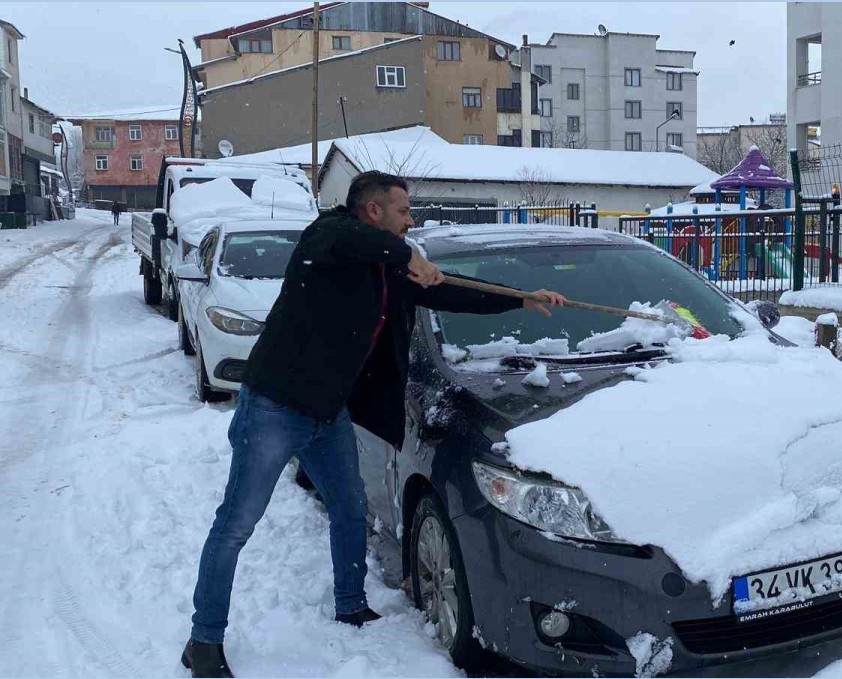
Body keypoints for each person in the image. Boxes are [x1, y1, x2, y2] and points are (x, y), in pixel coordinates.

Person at [182, 171, 566, 678]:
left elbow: (449, 292)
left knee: (349, 509)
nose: (411, 221)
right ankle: (203, 639)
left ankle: (350, 602)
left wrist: (520, 298)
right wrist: (409, 256)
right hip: (274, 407)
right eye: (404, 212)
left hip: (328, 413)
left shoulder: (387, 270)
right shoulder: (327, 239)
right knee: (236, 524)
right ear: (372, 211)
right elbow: (350, 239)